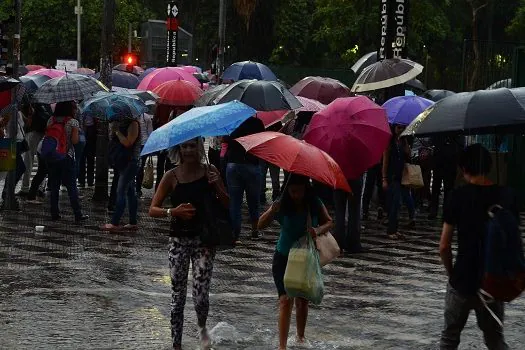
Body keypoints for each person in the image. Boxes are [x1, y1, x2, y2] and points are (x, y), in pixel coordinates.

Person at [148, 137, 229, 350]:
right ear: (179, 150)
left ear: (199, 147)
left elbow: (228, 203)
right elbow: (152, 209)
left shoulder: (210, 171)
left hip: (204, 240)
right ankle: (176, 344)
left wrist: (218, 185)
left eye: (193, 145)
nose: (189, 150)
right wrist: (172, 212)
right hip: (178, 240)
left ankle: (202, 329)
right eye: (184, 146)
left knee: (201, 294)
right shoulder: (171, 176)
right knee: (177, 295)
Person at [439, 144, 516, 349]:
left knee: (449, 338)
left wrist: (452, 274)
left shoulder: (457, 196)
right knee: (495, 339)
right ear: (489, 166)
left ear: (464, 169)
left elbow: (444, 246)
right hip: (493, 282)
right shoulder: (506, 196)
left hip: (462, 279)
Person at [258, 174, 333, 350]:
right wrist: (271, 211)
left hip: (304, 258)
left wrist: (317, 229)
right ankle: (282, 346)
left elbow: (329, 222)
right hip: (283, 256)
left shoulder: (314, 202)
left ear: (306, 189)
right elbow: (260, 225)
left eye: (299, 191)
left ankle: (300, 337)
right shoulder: (282, 202)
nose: (295, 195)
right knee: (285, 300)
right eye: (292, 191)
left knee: (302, 300)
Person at [46, 101, 88, 223]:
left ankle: (54, 213)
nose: (75, 110)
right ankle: (77, 214)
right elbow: (75, 142)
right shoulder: (73, 122)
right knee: (71, 187)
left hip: (53, 157)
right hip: (67, 157)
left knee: (54, 186)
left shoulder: (51, 120)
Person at [225, 117, 265, 243]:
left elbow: (224, 140)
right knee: (254, 201)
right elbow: (262, 142)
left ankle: (234, 234)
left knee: (235, 202)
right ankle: (254, 231)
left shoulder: (232, 121)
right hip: (251, 163)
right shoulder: (257, 122)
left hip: (233, 164)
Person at [100, 108, 140, 231]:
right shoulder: (119, 123)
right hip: (122, 162)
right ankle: (133, 222)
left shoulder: (133, 124)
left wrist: (117, 131)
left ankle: (115, 222)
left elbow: (128, 142)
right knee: (130, 192)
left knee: (121, 191)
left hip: (130, 162)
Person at [382, 124, 415, 240]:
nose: (401, 130)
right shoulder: (389, 143)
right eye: (398, 127)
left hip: (403, 177)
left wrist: (406, 145)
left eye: (403, 127)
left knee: (399, 205)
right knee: (395, 203)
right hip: (393, 177)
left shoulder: (403, 141)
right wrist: (384, 178)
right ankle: (391, 230)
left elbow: (409, 156)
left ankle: (395, 229)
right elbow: (385, 162)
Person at [429, 135, 464, 219]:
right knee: (436, 187)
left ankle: (446, 212)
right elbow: (432, 141)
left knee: (448, 189)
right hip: (439, 162)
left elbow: (461, 145)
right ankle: (434, 210)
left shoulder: (457, 132)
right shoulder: (439, 130)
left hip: (450, 163)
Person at [333, 173, 364, 254]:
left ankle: (338, 242)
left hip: (339, 178)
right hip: (355, 177)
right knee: (354, 211)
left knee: (339, 211)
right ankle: (353, 243)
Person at [135, 107, 154, 197]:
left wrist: (150, 146)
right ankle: (135, 188)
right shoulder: (131, 118)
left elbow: (150, 133)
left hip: (143, 145)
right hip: (134, 145)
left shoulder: (146, 117)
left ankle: (138, 188)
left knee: (140, 167)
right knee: (135, 166)